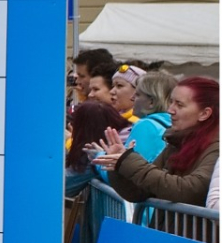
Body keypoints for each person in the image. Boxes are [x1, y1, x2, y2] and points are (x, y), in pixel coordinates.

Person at [93, 76, 219, 207]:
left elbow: (189, 190)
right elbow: (138, 192)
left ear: (204, 113)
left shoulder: (216, 148)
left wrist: (128, 160)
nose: (170, 110)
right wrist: (118, 166)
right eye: (171, 102)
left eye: (179, 105)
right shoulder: (176, 142)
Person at [127, 71, 178, 164]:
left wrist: (99, 156)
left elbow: (130, 173)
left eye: (137, 94)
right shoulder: (174, 125)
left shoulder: (146, 126)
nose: (131, 97)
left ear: (152, 102)